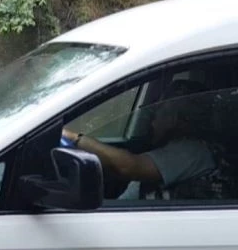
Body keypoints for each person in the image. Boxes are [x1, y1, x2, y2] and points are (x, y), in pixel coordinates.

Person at [62, 83, 221, 200]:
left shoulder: (191, 151)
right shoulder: (172, 149)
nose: (152, 119)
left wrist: (74, 138)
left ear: (175, 119)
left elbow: (129, 166)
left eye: (159, 111)